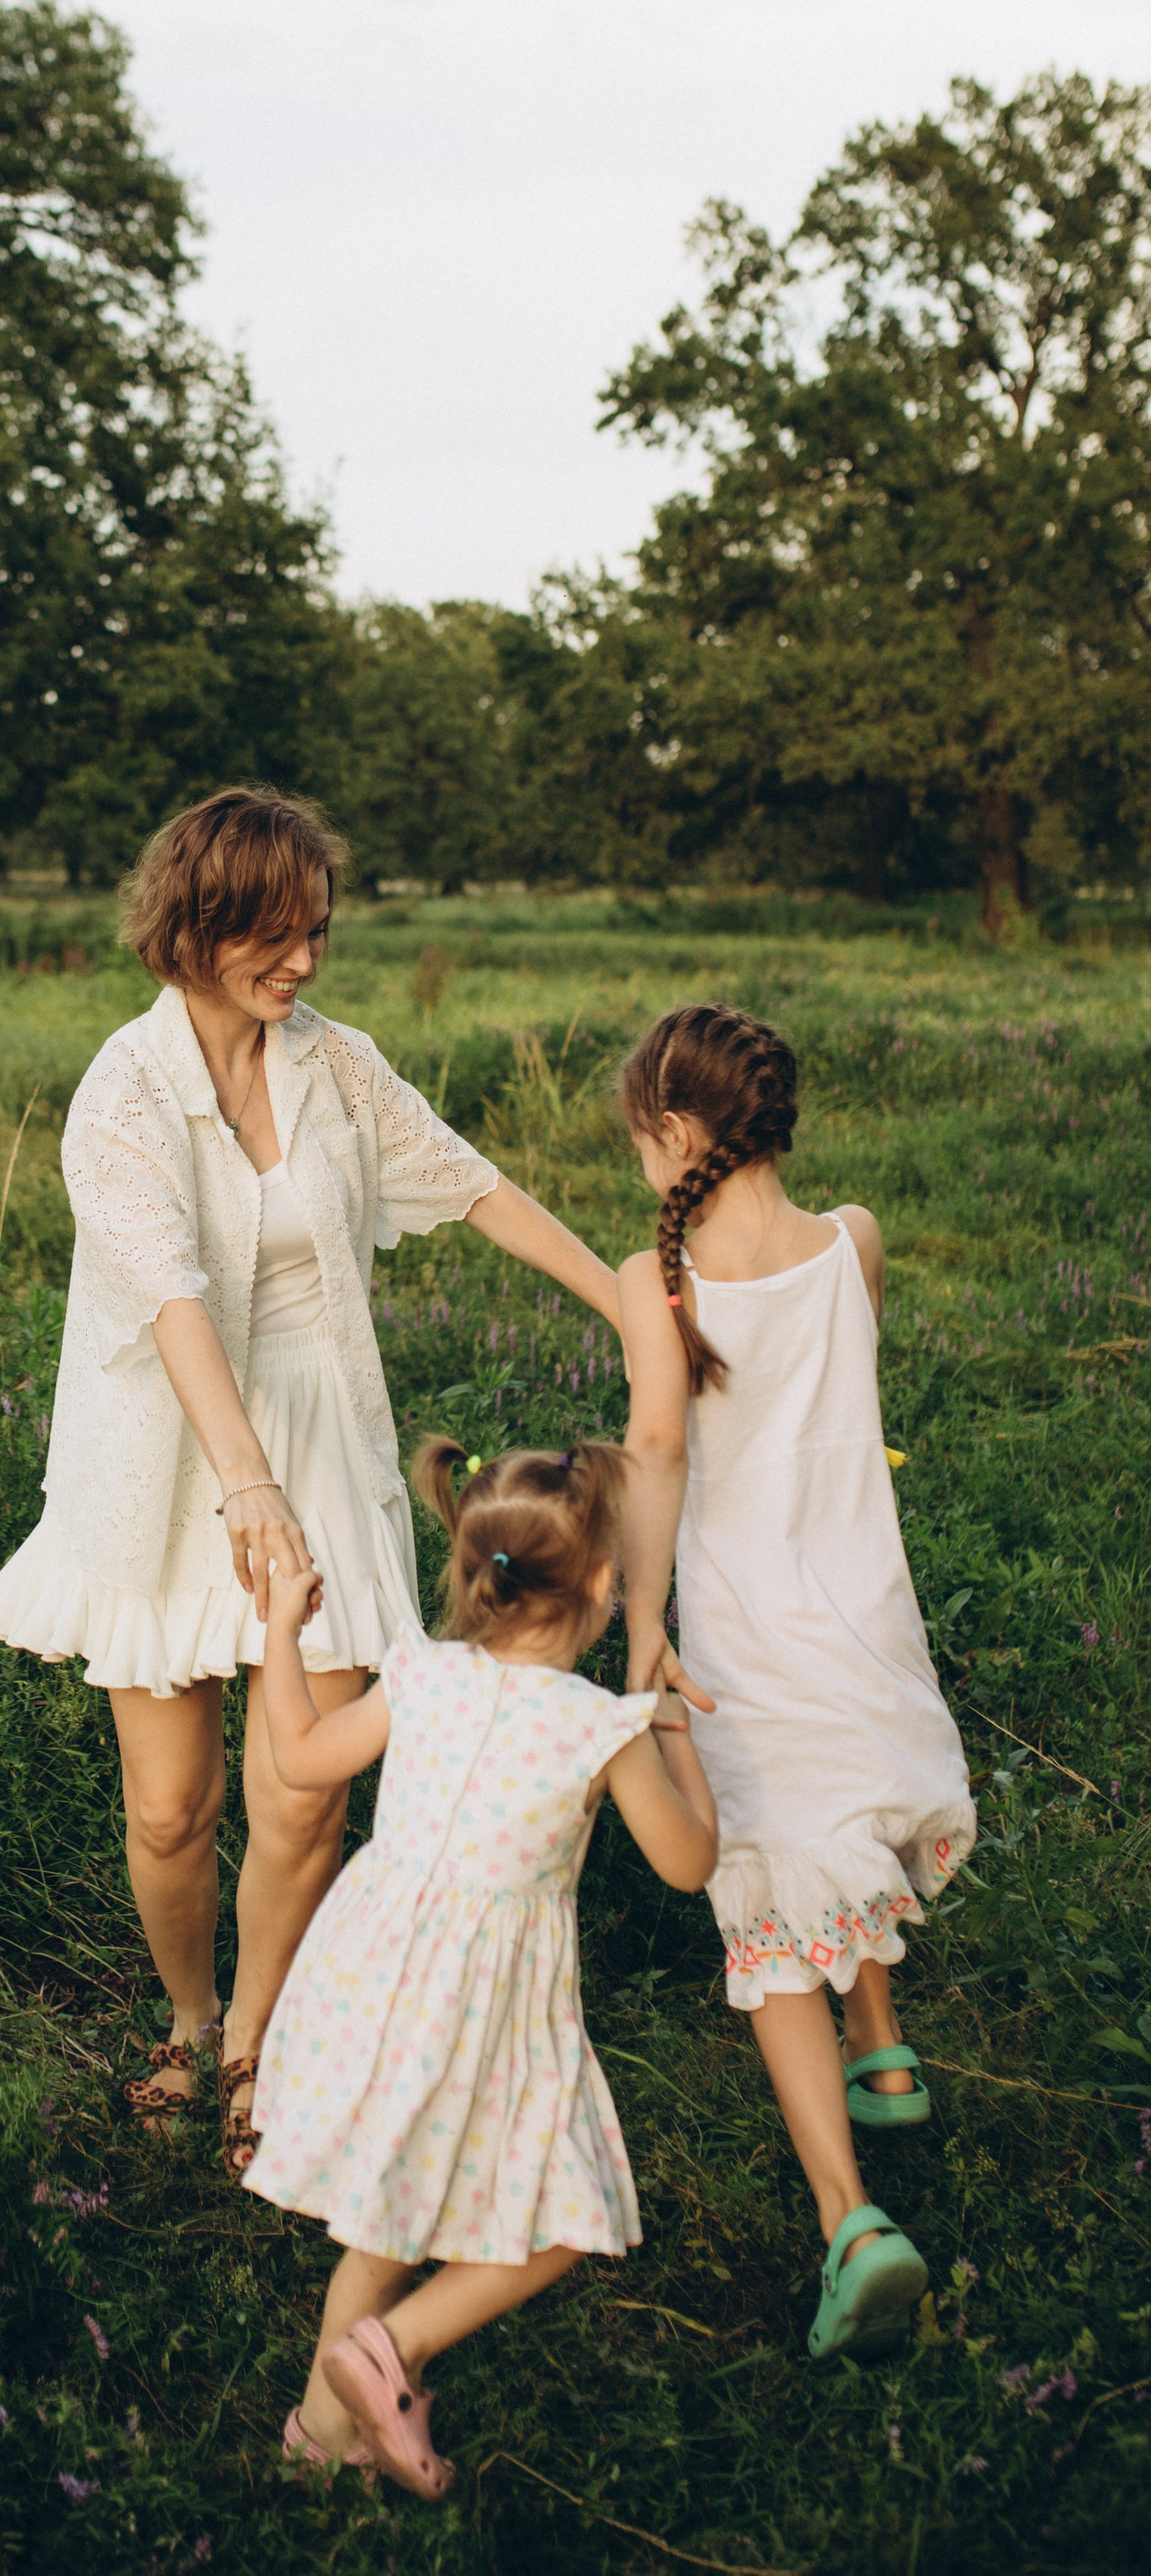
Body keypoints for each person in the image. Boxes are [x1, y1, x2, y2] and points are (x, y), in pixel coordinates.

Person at [0, 786, 621, 2169]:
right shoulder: (122, 1092)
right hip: (171, 1450)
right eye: (276, 936)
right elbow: (171, 1298)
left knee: (305, 1792)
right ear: (195, 927)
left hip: (320, 1439)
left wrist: (624, 1304)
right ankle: (187, 2015)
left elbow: (475, 1184)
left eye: (319, 931)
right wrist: (244, 1486)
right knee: (172, 1807)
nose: (307, 962)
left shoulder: (337, 1063)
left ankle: (258, 2041)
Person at [243, 1438, 718, 2497]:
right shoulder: (603, 1729)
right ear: (603, 1585)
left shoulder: (421, 1675)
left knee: (383, 2226)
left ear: (472, 1574)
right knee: (566, 2216)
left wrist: (279, 1633)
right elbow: (690, 1865)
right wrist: (673, 1727)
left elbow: (300, 1758)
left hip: (371, 1988)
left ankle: (318, 2448)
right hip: (485, 2009)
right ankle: (395, 2348)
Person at [615, 1001, 976, 2364]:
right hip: (865, 1616)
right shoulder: (854, 1241)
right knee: (849, 1828)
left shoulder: (662, 1286)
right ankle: (882, 2050)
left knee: (772, 1905)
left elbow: (657, 1456)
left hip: (747, 1639)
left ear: (675, 1132)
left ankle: (848, 2221)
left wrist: (642, 1627)